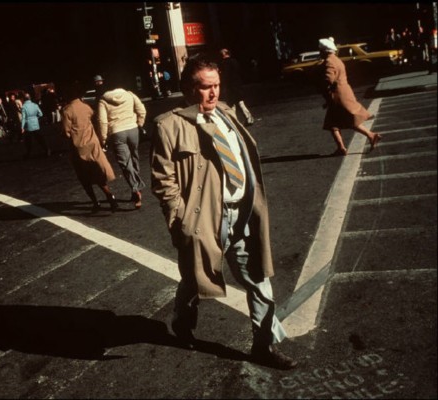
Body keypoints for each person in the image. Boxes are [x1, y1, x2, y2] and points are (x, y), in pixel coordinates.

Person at [150, 54, 298, 370]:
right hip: (205, 220)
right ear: (189, 89)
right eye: (206, 87)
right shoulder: (169, 125)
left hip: (243, 215)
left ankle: (264, 346)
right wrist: (179, 220)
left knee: (258, 281)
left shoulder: (227, 113)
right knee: (195, 280)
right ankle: (182, 320)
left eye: (216, 85)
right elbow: (163, 180)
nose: (214, 92)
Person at [61, 81, 119, 213]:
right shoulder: (86, 107)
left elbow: (66, 132)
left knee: (84, 177)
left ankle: (95, 202)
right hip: (92, 143)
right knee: (97, 173)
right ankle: (109, 196)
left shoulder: (66, 111)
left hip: (79, 148)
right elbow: (92, 117)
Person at [318, 37, 381, 156]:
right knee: (347, 120)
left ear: (324, 51)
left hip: (337, 97)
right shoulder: (336, 59)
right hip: (344, 93)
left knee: (333, 124)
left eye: (320, 50)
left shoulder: (329, 62)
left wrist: (323, 88)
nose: (319, 52)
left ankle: (343, 147)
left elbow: (328, 80)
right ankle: (369, 136)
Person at [98, 80, 147, 209]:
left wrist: (103, 139)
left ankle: (136, 188)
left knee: (125, 163)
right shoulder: (130, 94)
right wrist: (139, 123)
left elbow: (102, 121)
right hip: (133, 130)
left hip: (117, 132)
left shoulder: (103, 100)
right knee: (134, 159)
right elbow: (141, 110)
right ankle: (135, 188)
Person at [219, 48, 254, 125]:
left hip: (230, 87)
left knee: (233, 104)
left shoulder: (224, 63)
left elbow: (226, 76)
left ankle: (235, 121)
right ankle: (248, 118)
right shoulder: (234, 61)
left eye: (221, 53)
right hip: (237, 85)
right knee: (239, 103)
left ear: (224, 54)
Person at [21, 93, 49, 158]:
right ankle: (46, 149)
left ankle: (28, 153)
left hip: (28, 125)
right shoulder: (35, 105)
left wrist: (22, 127)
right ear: (30, 98)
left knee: (28, 140)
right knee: (40, 138)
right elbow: (41, 114)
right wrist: (36, 118)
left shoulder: (24, 107)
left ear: (24, 99)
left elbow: (23, 118)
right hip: (36, 124)